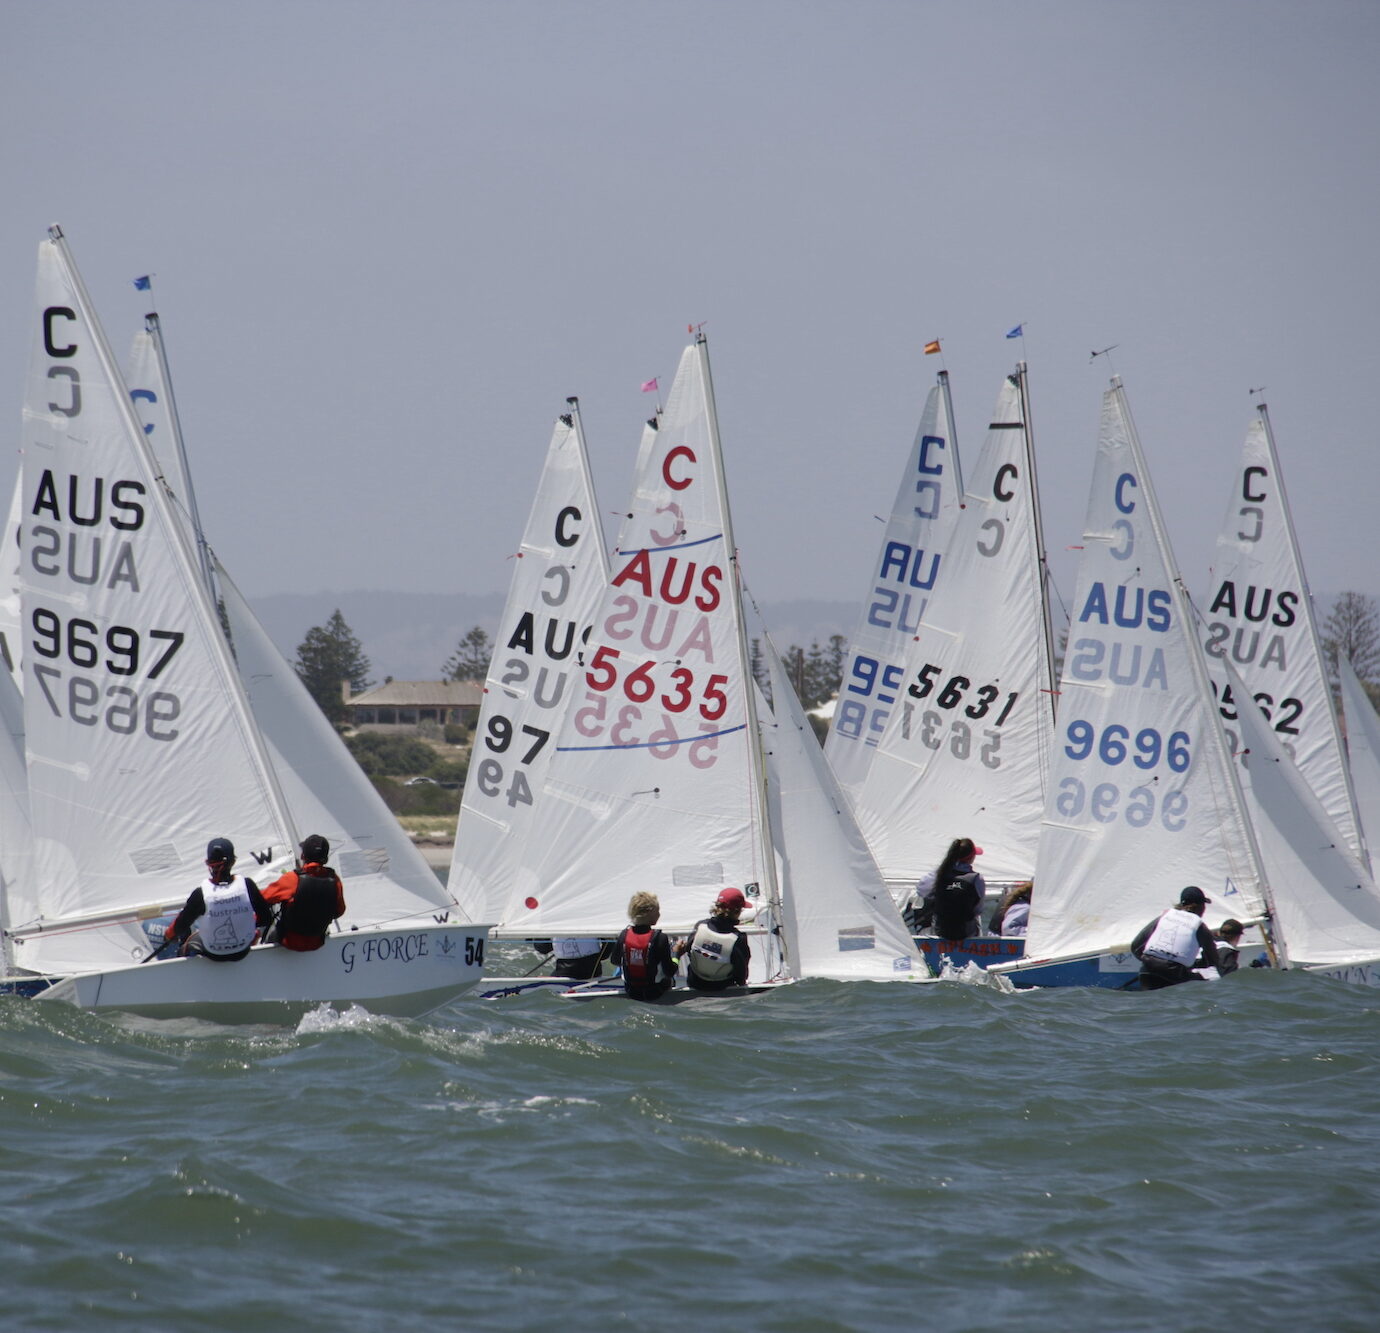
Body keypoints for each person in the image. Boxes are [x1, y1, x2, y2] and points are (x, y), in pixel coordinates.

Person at [165, 837, 274, 962]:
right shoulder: (247, 885)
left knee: (186, 943)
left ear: (208, 863)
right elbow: (266, 918)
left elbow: (179, 926)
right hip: (242, 951)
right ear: (233, 861)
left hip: (214, 954)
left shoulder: (201, 893)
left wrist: (168, 936)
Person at [261, 834, 346, 952]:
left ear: (303, 855)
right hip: (317, 942)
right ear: (326, 859)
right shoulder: (335, 880)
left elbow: (263, 898)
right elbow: (339, 911)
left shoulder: (292, 879)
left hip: (288, 942)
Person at [1131, 886, 1219, 990]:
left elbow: (1135, 947)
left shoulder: (1164, 917)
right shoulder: (1200, 927)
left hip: (1146, 974)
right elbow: (1213, 961)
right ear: (1201, 906)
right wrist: (1193, 964)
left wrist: (1150, 963)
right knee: (1207, 981)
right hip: (1174, 977)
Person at [907, 838, 986, 940]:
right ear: (971, 858)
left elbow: (921, 891)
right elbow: (978, 909)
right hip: (966, 932)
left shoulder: (939, 874)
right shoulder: (976, 878)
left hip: (941, 931)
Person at [676, 887, 752, 991]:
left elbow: (690, 950)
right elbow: (742, 975)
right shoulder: (738, 939)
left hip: (695, 984)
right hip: (723, 988)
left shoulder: (700, 926)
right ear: (737, 911)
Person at [611, 891, 678, 1001]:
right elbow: (670, 971)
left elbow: (615, 961)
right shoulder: (660, 938)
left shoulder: (624, 935)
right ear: (649, 914)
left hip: (631, 992)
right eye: (658, 911)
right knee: (669, 979)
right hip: (656, 992)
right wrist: (676, 954)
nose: (659, 915)